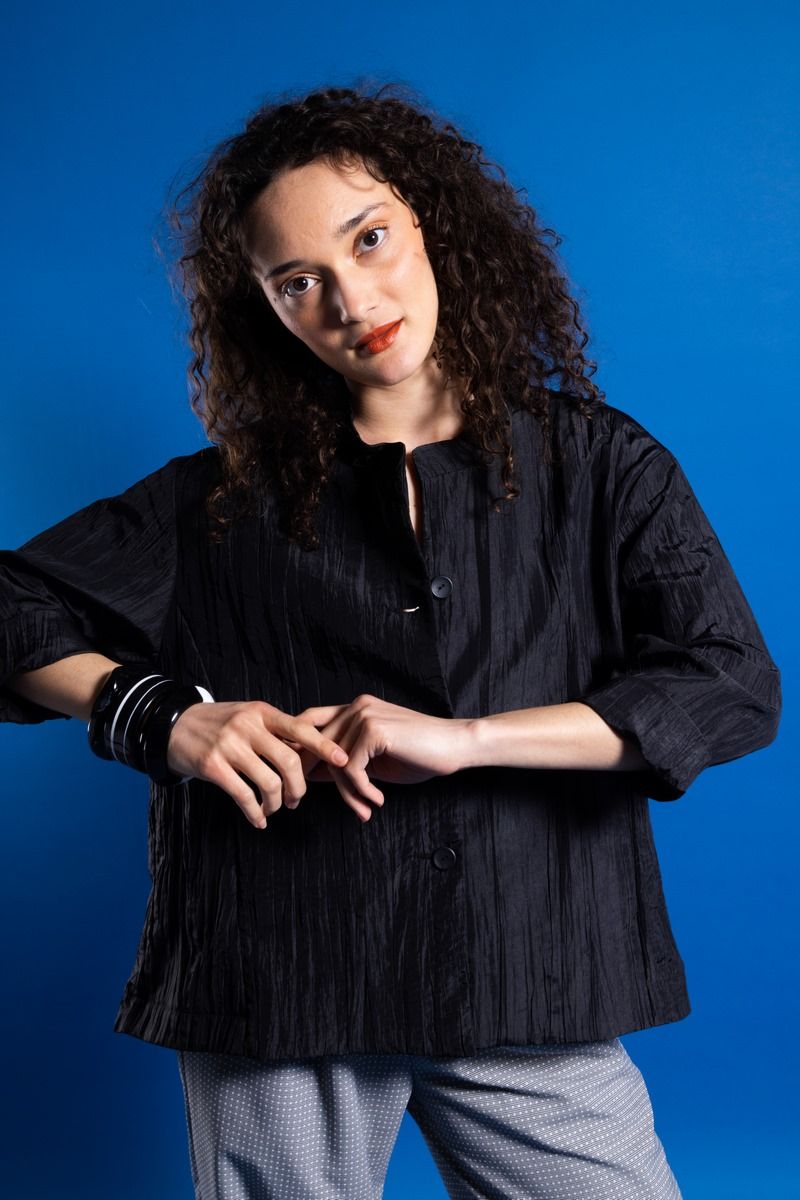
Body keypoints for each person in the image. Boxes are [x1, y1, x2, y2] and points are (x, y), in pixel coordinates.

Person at [0, 82, 782, 1200]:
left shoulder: (601, 466)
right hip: (281, 977)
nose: (351, 299)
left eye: (368, 239)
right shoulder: (216, 501)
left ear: (433, 222)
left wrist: (469, 741)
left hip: (529, 966)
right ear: (265, 309)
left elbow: (728, 682)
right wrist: (163, 717)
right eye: (297, 281)